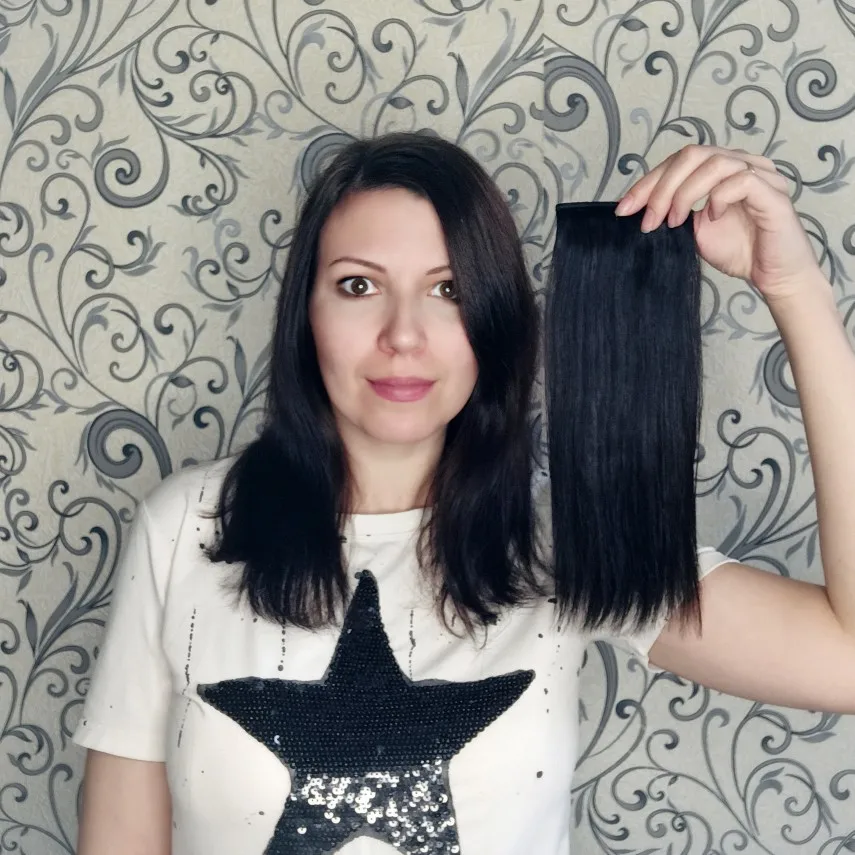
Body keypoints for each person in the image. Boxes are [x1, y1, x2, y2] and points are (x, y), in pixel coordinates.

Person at [73, 133, 855, 855]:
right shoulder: (189, 527)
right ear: (305, 313)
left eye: (447, 289)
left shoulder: (561, 547)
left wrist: (792, 288)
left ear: (494, 319)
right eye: (357, 285)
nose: (402, 334)